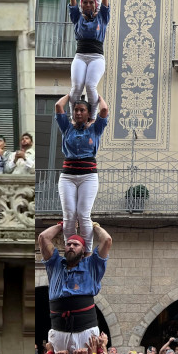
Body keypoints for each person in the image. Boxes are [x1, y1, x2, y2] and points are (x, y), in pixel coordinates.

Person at [38, 222, 113, 354]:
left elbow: (107, 240)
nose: (71, 247)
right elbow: (43, 238)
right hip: (59, 329)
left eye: (76, 244)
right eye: (68, 244)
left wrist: (92, 225)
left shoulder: (92, 264)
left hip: (84, 328)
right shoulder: (55, 264)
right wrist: (63, 225)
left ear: (83, 249)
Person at [55, 94, 108, 249]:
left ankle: (87, 251)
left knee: (83, 214)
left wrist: (96, 96)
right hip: (67, 177)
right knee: (69, 215)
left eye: (82, 110)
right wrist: (72, 93)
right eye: (76, 110)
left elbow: (104, 109)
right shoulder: (66, 127)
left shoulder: (95, 129)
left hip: (88, 176)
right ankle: (69, 247)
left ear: (88, 113)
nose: (78, 113)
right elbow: (59, 106)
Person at [70, 0, 110, 108]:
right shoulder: (77, 17)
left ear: (95, 5)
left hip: (96, 57)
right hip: (80, 56)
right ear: (81, 5)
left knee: (90, 86)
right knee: (77, 87)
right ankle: (73, 117)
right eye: (85, 2)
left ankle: (92, 116)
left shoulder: (102, 17)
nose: (88, 5)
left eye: (91, 2)